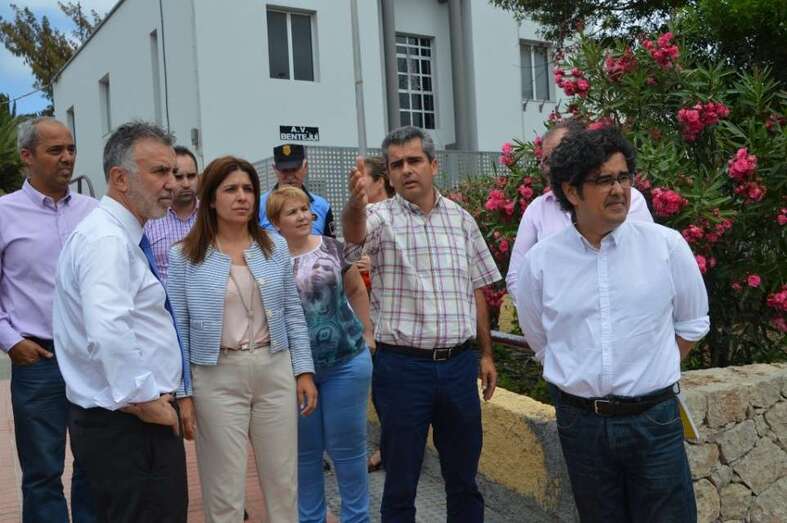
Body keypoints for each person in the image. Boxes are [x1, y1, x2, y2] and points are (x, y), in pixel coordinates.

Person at [515, 127, 709, 522]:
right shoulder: (541, 263)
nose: (619, 189)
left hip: (654, 421)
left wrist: (648, 370)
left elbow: (692, 323)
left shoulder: (666, 246)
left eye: (624, 177)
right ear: (572, 192)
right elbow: (541, 339)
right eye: (604, 180)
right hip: (581, 425)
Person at [343, 126, 501, 522]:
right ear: (389, 174)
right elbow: (353, 235)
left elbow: (477, 290)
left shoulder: (462, 220)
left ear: (434, 165)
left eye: (414, 161)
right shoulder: (378, 218)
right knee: (401, 482)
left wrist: (485, 355)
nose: (406, 170)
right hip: (402, 369)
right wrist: (355, 203)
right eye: (397, 164)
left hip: (458, 367)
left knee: (464, 479)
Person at [166, 156, 317, 523]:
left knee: (283, 483)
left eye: (248, 189)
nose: (242, 197)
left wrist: (304, 371)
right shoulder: (184, 256)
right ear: (210, 198)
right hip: (216, 375)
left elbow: (292, 312)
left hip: (273, 368)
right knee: (224, 490)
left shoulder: (274, 247)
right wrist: (184, 393)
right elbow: (178, 328)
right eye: (230, 189)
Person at [53, 121, 189, 523]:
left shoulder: (113, 235)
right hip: (131, 424)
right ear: (120, 179)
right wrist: (145, 400)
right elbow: (109, 329)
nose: (172, 183)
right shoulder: (107, 240)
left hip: (125, 421)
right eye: (160, 172)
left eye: (174, 171)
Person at [0, 117, 97, 522]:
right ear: (27, 156)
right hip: (37, 360)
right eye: (55, 150)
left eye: (71, 149)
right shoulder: (4, 213)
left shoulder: (94, 213)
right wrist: (11, 341)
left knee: (94, 466)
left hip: (92, 358)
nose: (67, 158)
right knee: (42, 474)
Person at [268, 185, 374, 523]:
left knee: (349, 450)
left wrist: (368, 333)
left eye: (305, 209)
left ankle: (357, 518)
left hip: (347, 362)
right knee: (305, 453)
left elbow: (356, 289)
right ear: (276, 222)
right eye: (292, 212)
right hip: (295, 372)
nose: (303, 216)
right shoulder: (268, 262)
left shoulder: (333, 248)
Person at [505, 119, 653, 304]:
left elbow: (645, 260)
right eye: (546, 161)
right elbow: (517, 276)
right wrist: (554, 310)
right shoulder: (537, 210)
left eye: (558, 157)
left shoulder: (627, 200)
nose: (552, 167)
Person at [143, 145, 201, 283]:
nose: (186, 184)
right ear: (167, 179)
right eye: (179, 177)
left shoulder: (212, 215)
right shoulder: (149, 220)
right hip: (164, 296)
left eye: (191, 176)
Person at [258, 143, 335, 237]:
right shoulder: (258, 206)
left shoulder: (322, 206)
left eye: (294, 169)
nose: (290, 176)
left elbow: (330, 244)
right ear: (275, 168)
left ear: (305, 166)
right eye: (284, 170)